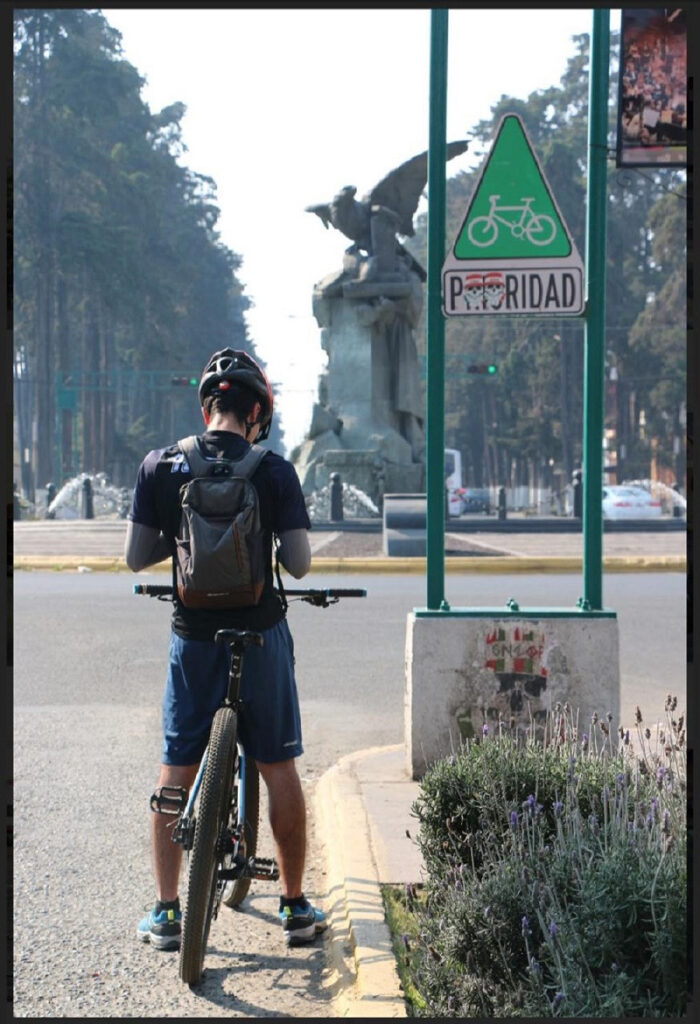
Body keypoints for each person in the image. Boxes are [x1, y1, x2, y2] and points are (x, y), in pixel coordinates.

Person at [125, 347, 324, 951]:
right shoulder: (274, 470)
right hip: (259, 635)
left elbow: (136, 557)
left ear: (207, 406)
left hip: (193, 638)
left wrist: (186, 547)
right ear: (256, 413)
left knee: (176, 768)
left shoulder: (162, 465)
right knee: (278, 765)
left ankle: (165, 912)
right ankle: (292, 906)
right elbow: (300, 564)